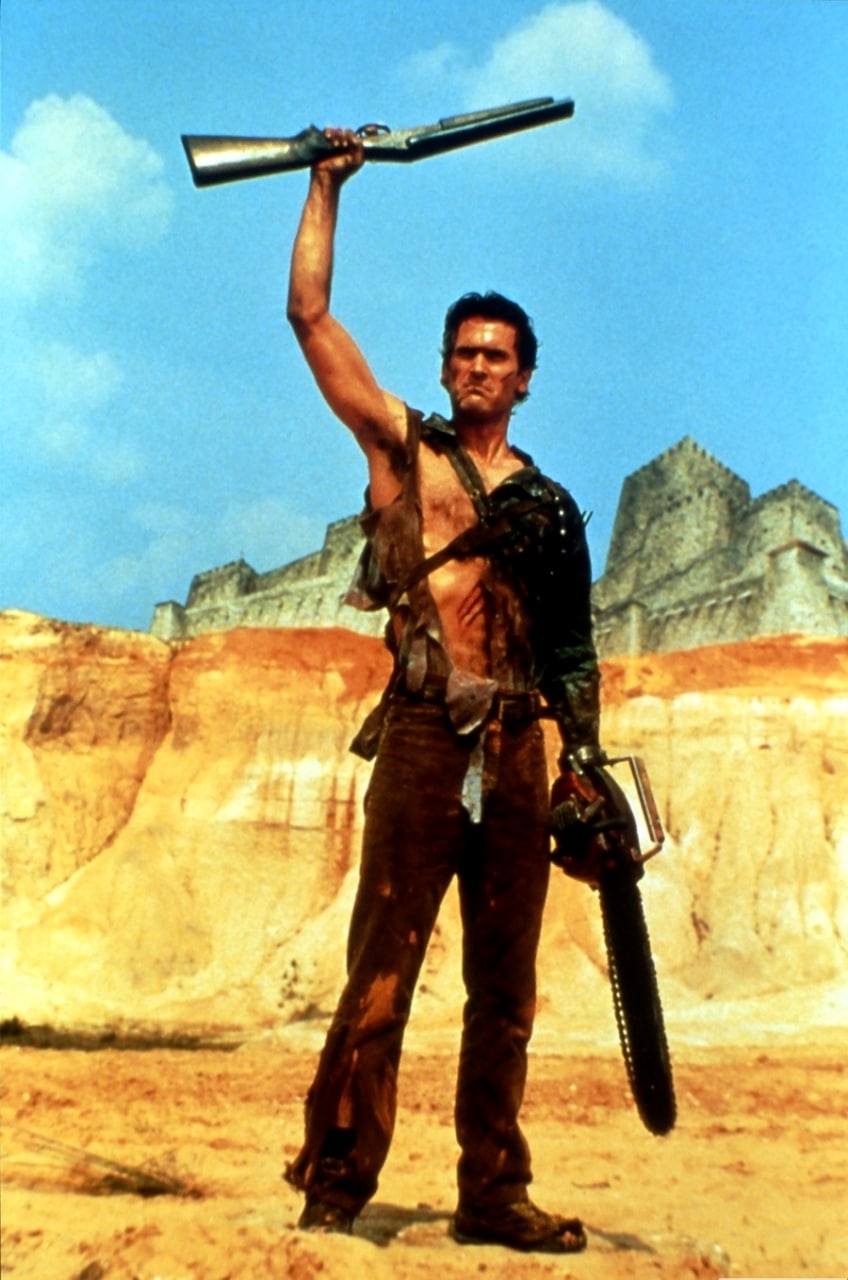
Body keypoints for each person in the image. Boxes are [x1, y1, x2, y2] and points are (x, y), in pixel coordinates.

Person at [282, 129, 601, 1254]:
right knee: (382, 972)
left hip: (517, 747)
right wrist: (325, 185)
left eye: (496, 356)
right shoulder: (401, 455)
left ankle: (492, 1192)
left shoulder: (550, 506)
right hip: (424, 735)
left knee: (504, 993)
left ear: (524, 376)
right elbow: (310, 318)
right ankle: (336, 1185)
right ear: (444, 367)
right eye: (463, 352)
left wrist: (583, 761)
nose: (477, 368)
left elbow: (573, 648)